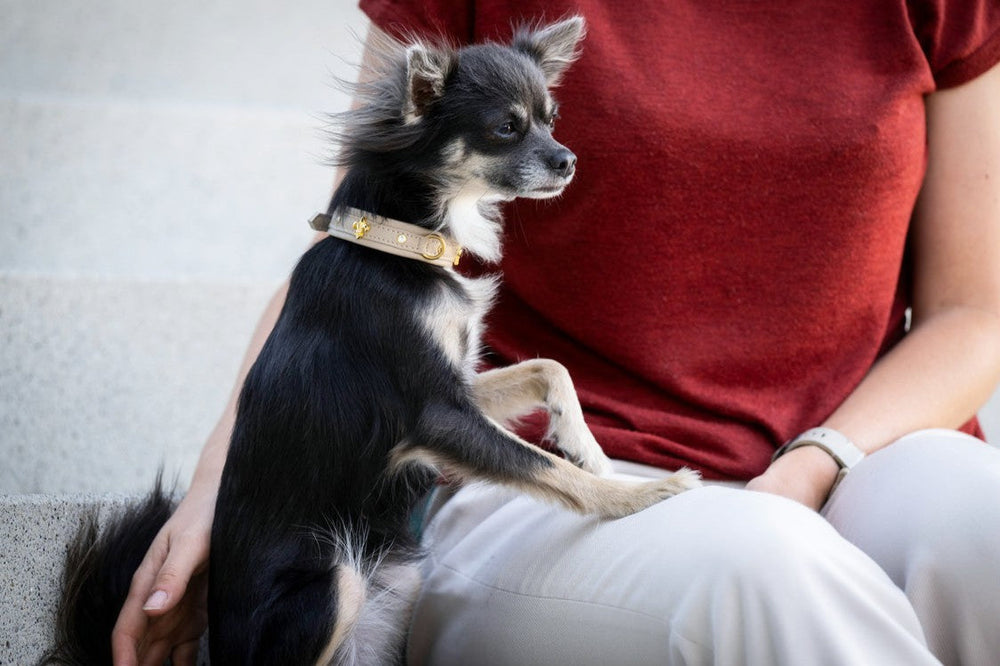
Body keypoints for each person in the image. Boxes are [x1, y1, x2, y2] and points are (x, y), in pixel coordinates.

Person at [111, 1, 1000, 664]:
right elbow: (352, 260)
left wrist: (812, 465)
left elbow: (975, 311)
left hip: (850, 450)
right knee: (768, 568)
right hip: (536, 475)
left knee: (982, 521)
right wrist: (224, 493)